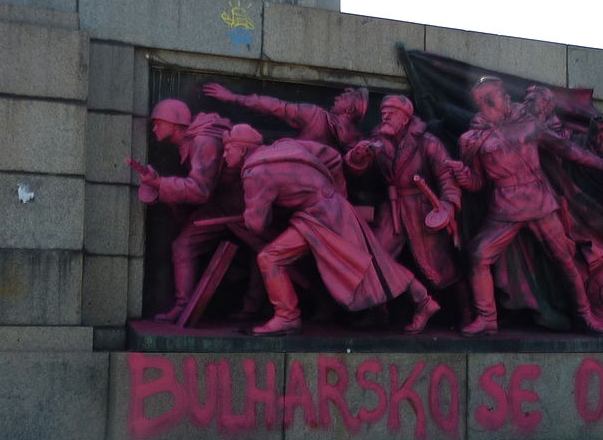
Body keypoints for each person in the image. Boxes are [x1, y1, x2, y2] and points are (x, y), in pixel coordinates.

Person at [448, 77, 603, 336]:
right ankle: (487, 317)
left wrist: (601, 164)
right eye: (501, 95)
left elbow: (565, 148)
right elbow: (478, 183)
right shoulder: (472, 139)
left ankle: (584, 316)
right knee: (477, 254)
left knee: (564, 259)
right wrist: (465, 179)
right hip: (504, 208)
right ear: (487, 101)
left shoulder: (528, 123)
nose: (508, 97)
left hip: (538, 202)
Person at [230, 129, 439, 336]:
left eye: (227, 149)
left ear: (242, 150)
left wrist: (267, 209)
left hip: (318, 219)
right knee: (376, 262)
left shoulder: (254, 172)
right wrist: (337, 193)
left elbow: (256, 225)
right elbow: (331, 158)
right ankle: (423, 301)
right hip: (334, 207)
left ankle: (287, 317)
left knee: (270, 257)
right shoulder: (286, 144)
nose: (223, 155)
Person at [129, 98, 264, 322]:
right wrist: (159, 187)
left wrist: (160, 184)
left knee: (267, 252)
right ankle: (184, 306)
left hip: (245, 204)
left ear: (174, 124)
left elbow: (200, 190)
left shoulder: (204, 142)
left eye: (158, 123)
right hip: (221, 204)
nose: (154, 129)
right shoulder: (192, 142)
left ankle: (259, 308)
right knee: (183, 246)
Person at [344, 94, 463, 297]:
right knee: (377, 257)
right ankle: (379, 312)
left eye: (391, 113)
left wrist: (449, 204)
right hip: (392, 209)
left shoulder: (428, 142)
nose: (385, 117)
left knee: (442, 264)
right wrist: (357, 159)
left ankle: (468, 310)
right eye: (383, 113)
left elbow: (446, 176)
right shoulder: (376, 143)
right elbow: (360, 174)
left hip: (423, 208)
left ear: (405, 119)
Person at [202, 82, 367, 151]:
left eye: (344, 98)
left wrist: (233, 97)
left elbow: (274, 106)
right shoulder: (360, 143)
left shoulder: (314, 114)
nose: (337, 98)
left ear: (351, 110)